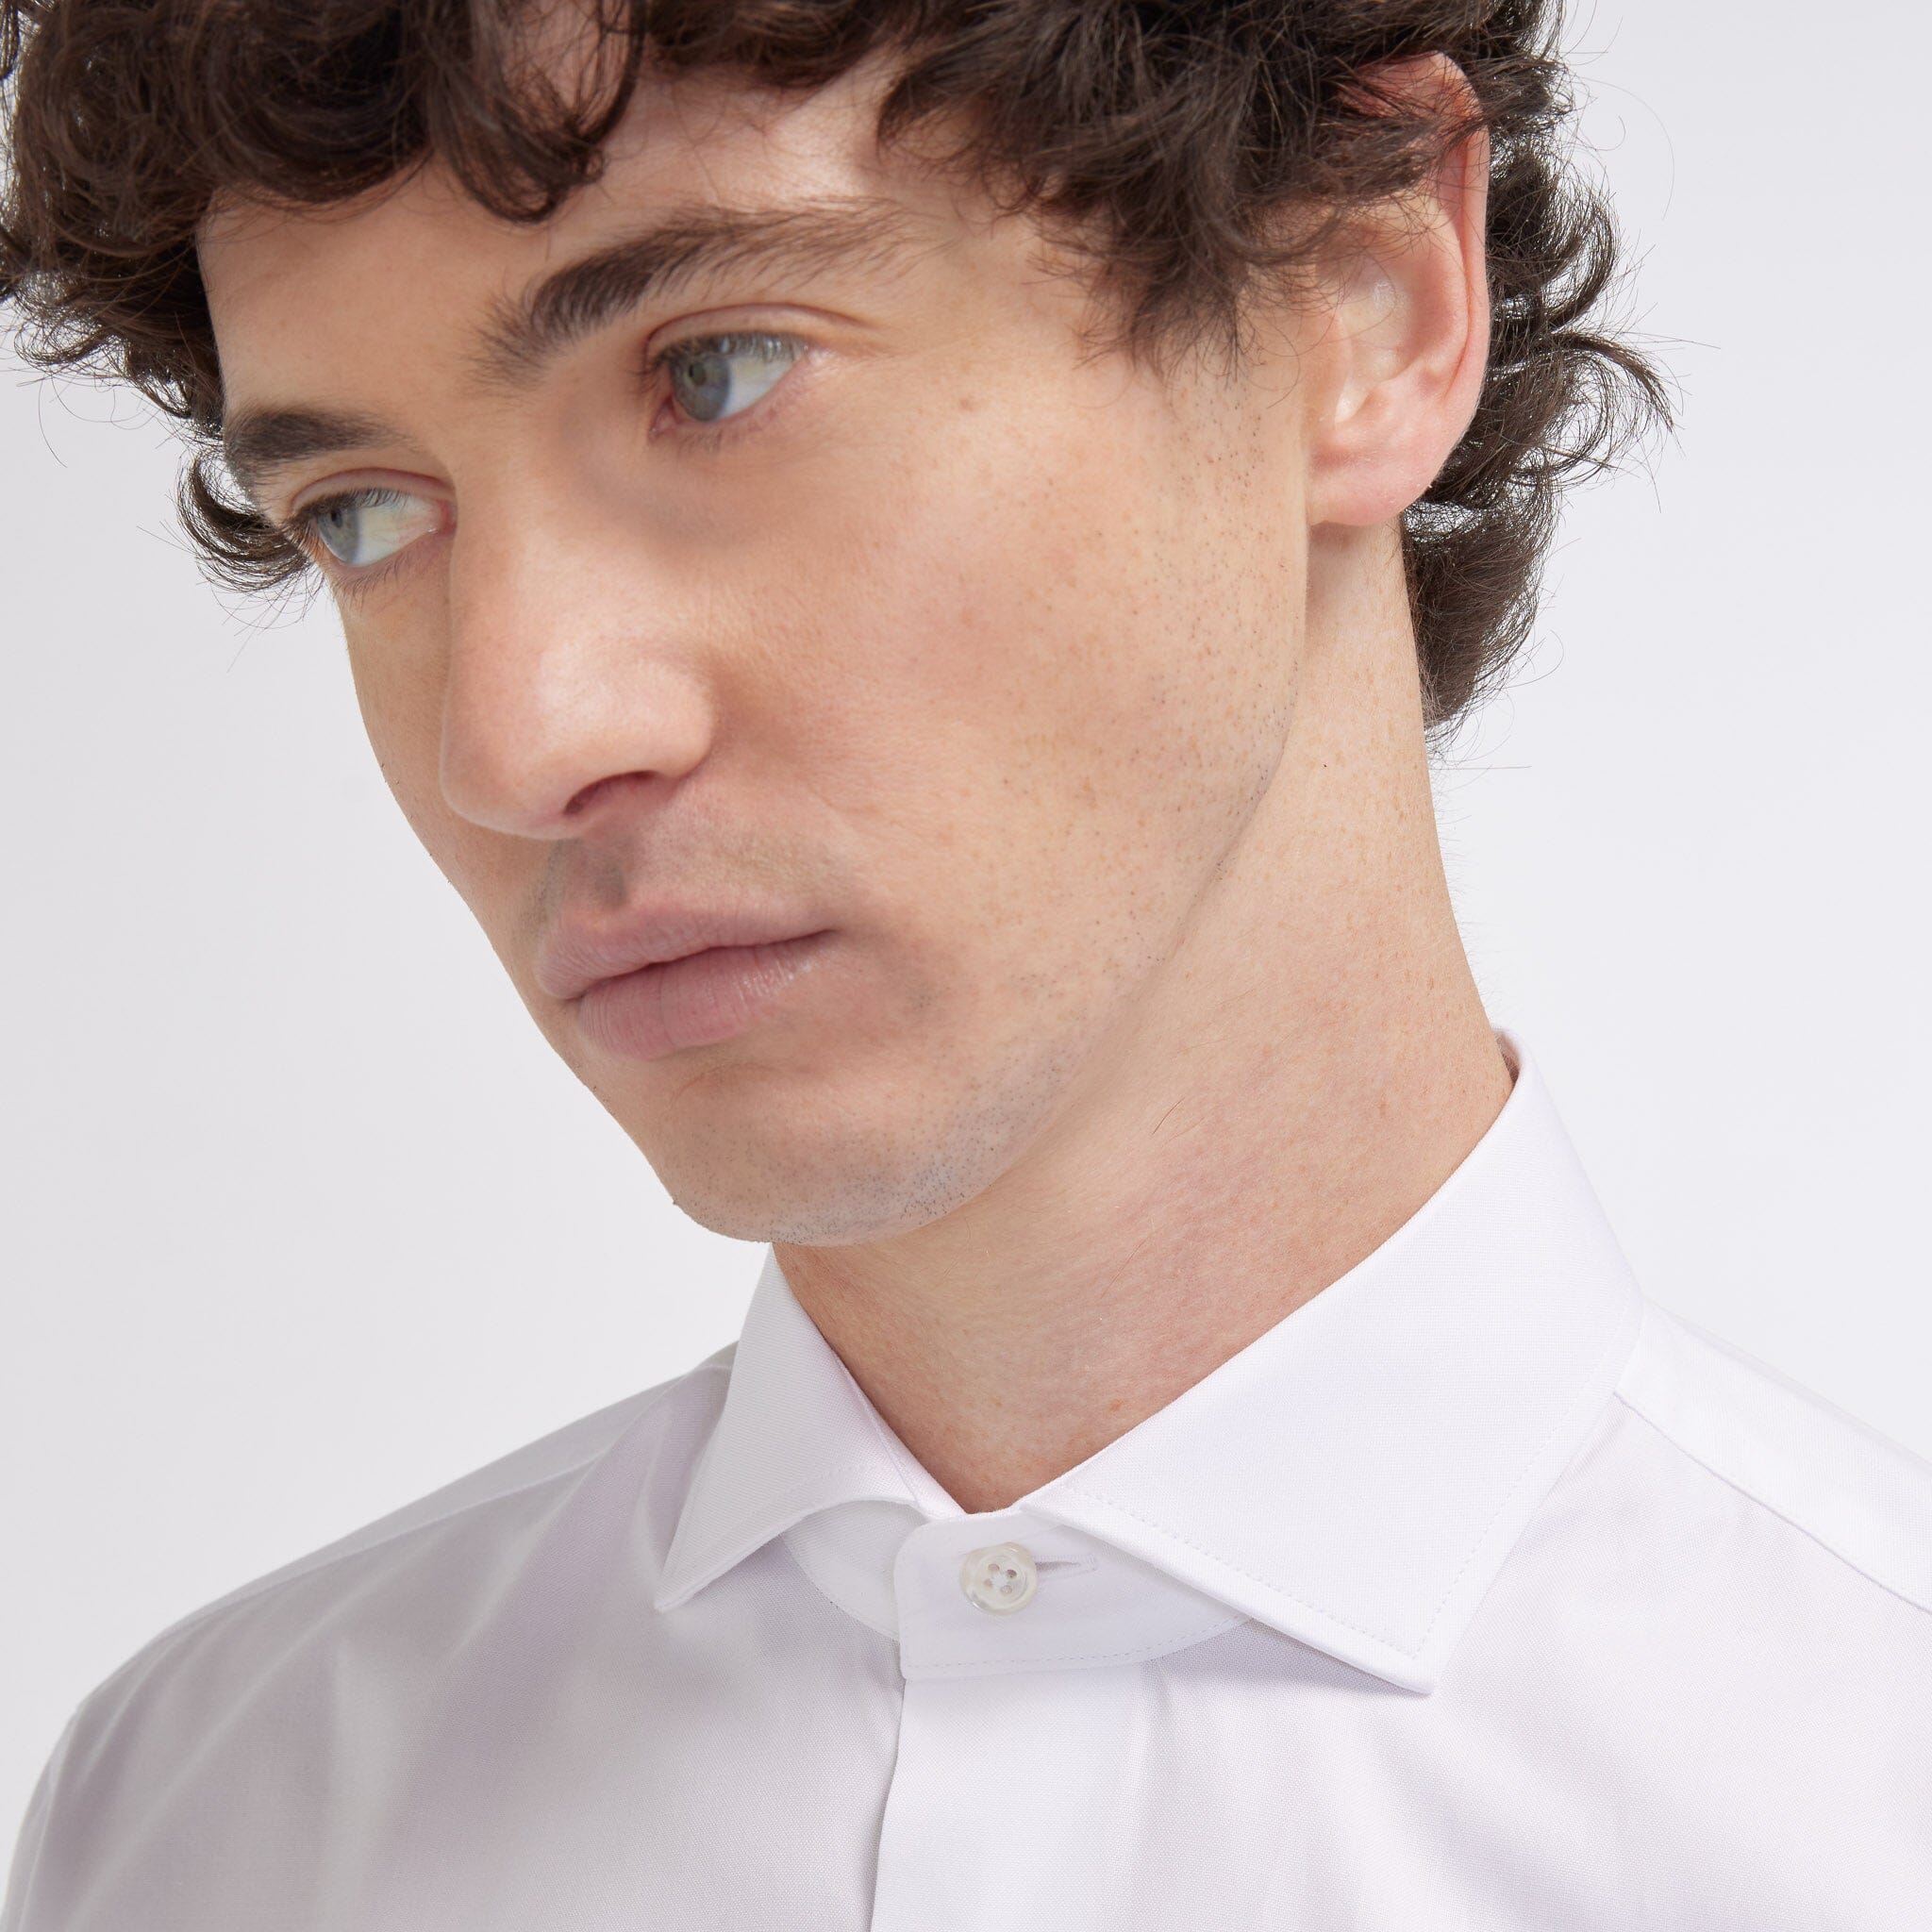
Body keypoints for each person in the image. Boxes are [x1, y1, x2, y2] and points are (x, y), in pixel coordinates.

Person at [3, 1, 1927, 1924]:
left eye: (719, 373)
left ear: (1362, 295)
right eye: (361, 513)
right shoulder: (196, 1833)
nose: (512, 742)